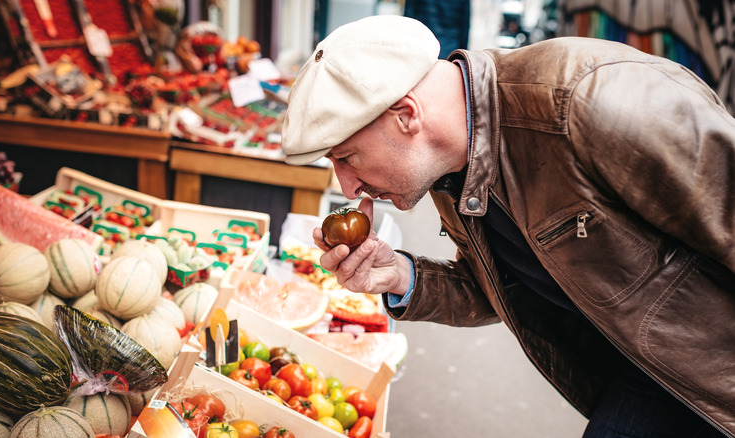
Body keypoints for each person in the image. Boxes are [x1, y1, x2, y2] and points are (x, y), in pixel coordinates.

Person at [281, 15, 735, 437]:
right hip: (645, 373)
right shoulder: (447, 161)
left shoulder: (590, 99)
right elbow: (504, 289)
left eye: (346, 157)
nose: (346, 185)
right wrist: (401, 274)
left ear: (406, 115)